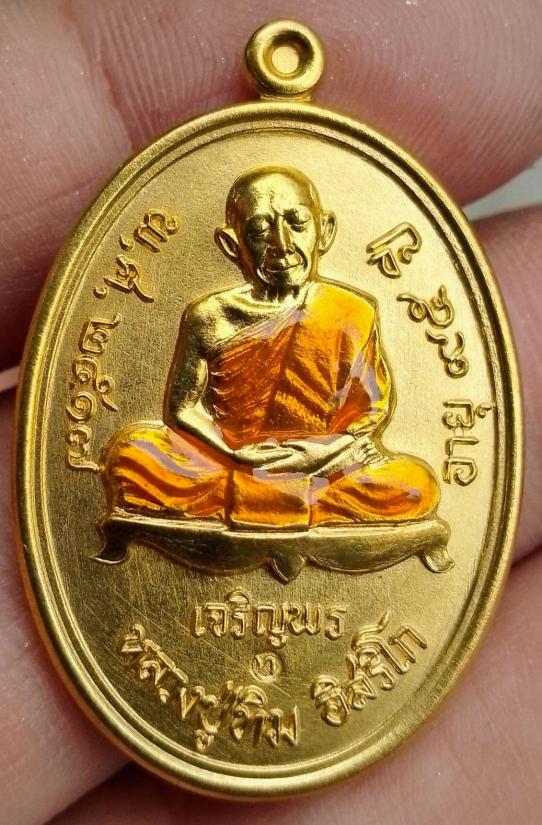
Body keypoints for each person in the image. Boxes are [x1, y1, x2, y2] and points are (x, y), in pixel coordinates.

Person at [103, 165, 440, 531]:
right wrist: (233, 454)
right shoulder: (211, 316)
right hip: (227, 462)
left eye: (298, 222)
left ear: (324, 230)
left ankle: (269, 499)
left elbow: (370, 411)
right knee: (131, 456)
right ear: (232, 244)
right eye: (260, 230)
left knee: (415, 484)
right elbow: (181, 409)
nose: (282, 244)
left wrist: (322, 453)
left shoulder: (351, 312)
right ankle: (299, 502)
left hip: (323, 465)